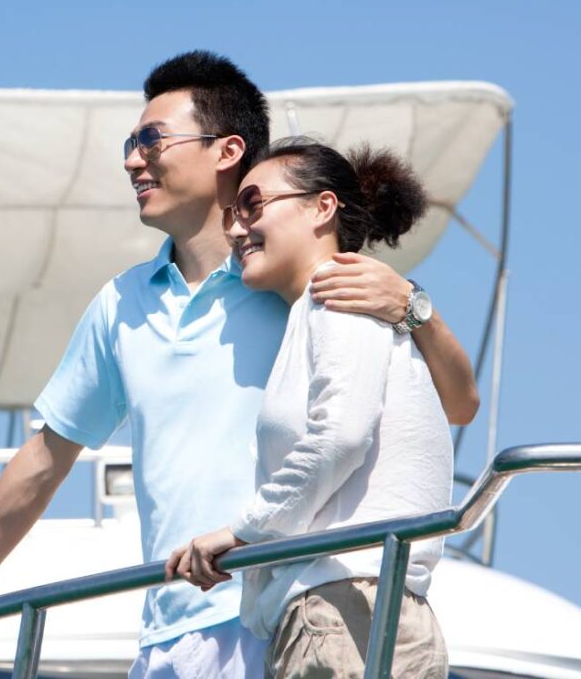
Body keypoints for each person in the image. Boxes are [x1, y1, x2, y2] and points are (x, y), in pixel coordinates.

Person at [0, 51, 477, 677]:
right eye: (129, 142)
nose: (131, 159)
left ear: (226, 151)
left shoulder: (310, 279)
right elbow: (44, 458)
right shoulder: (121, 303)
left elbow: (453, 403)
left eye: (151, 139)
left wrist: (417, 308)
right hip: (169, 630)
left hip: (283, 606)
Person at [167, 136, 454, 678]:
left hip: (344, 613)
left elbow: (340, 435)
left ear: (322, 207)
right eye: (232, 212)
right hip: (352, 609)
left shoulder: (339, 296)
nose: (234, 228)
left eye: (252, 205)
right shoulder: (323, 309)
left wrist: (243, 532)